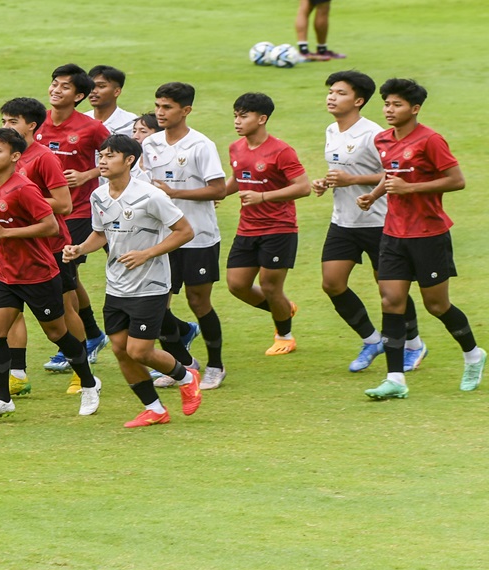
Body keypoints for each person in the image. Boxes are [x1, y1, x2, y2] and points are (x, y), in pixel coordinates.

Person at [63, 134, 201, 427]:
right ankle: (155, 409)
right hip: (117, 285)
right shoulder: (98, 195)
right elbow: (101, 233)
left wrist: (147, 253)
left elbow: (184, 231)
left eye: (110, 156)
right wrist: (79, 249)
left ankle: (187, 376)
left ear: (129, 160)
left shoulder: (150, 195)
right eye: (101, 155)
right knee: (119, 349)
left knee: (139, 350)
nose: (103, 160)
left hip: (150, 285)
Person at [359, 78, 484, 398]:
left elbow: (457, 181)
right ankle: (395, 379)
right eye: (386, 103)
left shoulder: (431, 140)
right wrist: (374, 195)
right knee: (391, 301)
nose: (389, 109)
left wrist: (410, 189)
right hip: (393, 233)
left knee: (437, 304)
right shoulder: (383, 139)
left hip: (429, 234)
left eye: (396, 104)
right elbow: (391, 172)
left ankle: (473, 354)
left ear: (414, 109)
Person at [0, 128, 100, 419]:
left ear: (15, 156)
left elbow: (50, 226)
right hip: (5, 274)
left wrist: (7, 233)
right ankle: (3, 399)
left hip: (38, 274)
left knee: (57, 333)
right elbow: (4, 224)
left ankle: (89, 384)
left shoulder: (25, 188)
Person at [311, 71, 425, 374]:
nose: (332, 97)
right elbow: (341, 168)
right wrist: (327, 181)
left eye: (340, 93)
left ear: (358, 100)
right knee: (332, 283)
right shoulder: (331, 130)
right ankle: (372, 340)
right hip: (343, 221)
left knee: (390, 289)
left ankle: (413, 344)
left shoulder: (374, 133)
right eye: (331, 91)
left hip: (379, 221)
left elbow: (392, 173)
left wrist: (353, 180)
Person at [144, 82, 228, 390]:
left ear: (186, 110)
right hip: (162, 238)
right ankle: (183, 364)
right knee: (158, 304)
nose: (160, 112)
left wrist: (173, 192)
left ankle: (216, 366)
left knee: (198, 300)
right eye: (158, 106)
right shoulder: (150, 144)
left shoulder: (200, 145)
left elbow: (218, 189)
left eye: (167, 107)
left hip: (198, 237)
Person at [0, 97, 74, 398]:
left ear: (31, 125)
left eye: (12, 121)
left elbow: (64, 204)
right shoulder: (6, 157)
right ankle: (17, 374)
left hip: (50, 246)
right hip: (14, 245)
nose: (6, 126)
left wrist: (23, 199)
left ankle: (81, 373)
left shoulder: (44, 158)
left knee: (65, 312)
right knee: (11, 312)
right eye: (4, 121)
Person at [37, 65, 111, 386]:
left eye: (65, 87)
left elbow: (118, 155)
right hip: (44, 214)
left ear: (79, 96)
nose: (56, 90)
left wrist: (87, 175)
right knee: (69, 276)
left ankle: (74, 346)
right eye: (54, 84)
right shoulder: (36, 124)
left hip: (78, 211)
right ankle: (91, 335)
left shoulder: (91, 128)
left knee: (63, 278)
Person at [224, 92, 311, 356]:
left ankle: (284, 335)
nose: (238, 121)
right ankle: (283, 307)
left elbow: (303, 187)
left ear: (262, 119)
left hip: (279, 227)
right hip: (247, 227)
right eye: (236, 116)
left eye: (244, 116)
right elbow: (238, 179)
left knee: (271, 286)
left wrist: (263, 196)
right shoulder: (235, 148)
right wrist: (217, 194)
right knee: (237, 284)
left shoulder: (281, 150)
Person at [86, 65, 138, 136]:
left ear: (116, 91)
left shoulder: (131, 123)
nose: (93, 91)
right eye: (91, 86)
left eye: (101, 86)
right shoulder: (80, 121)